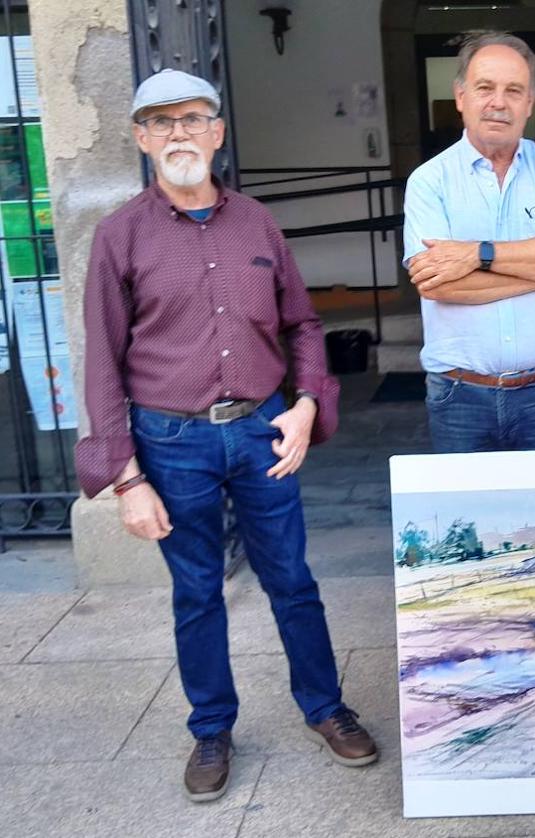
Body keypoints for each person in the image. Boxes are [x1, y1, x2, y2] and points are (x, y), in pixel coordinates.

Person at [75, 69, 377, 803]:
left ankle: (325, 708)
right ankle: (211, 728)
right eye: (161, 122)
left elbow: (302, 324)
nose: (178, 132)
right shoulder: (120, 236)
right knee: (198, 593)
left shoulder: (257, 224)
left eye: (192, 118)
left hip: (260, 434)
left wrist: (307, 403)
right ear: (143, 140)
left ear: (216, 132)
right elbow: (102, 361)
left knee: (293, 582)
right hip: (169, 444)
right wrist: (126, 478)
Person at [402, 32, 535, 453]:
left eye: (514, 90)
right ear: (460, 97)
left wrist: (477, 254)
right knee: (463, 520)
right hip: (459, 398)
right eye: (484, 88)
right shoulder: (429, 181)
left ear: (530, 103)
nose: (498, 102)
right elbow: (438, 285)